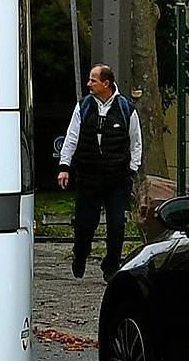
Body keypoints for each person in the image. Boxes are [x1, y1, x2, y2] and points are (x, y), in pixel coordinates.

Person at [56, 63, 142, 279]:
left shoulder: (125, 109)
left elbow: (136, 142)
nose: (89, 84)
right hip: (88, 176)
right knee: (84, 224)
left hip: (116, 178)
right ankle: (81, 254)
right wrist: (64, 166)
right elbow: (72, 137)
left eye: (93, 80)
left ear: (106, 83)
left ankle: (111, 266)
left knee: (116, 225)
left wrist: (131, 170)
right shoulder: (83, 106)